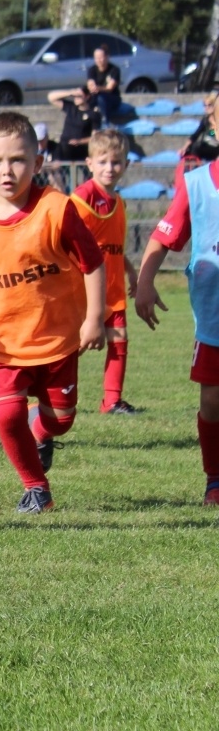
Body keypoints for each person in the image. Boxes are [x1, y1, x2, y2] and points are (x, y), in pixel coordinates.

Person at [0, 112, 106, 513]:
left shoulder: (57, 209)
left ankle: (42, 431)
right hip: (1, 342)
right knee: (8, 415)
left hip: (57, 337)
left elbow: (93, 263)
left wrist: (94, 317)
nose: (6, 170)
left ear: (37, 163)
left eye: (17, 160)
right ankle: (36, 488)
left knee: (61, 419)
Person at [136, 135, 219, 505]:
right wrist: (144, 283)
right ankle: (215, 478)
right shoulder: (197, 183)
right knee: (214, 400)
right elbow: (163, 236)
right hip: (214, 316)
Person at [70, 128, 138, 415]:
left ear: (126, 164)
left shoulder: (119, 203)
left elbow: (114, 247)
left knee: (119, 338)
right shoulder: (81, 199)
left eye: (116, 162)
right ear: (90, 164)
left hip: (113, 287)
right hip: (85, 288)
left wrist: (132, 272)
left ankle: (112, 401)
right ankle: (47, 395)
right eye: (103, 162)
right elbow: (68, 240)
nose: (110, 168)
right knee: (74, 344)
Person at [47, 86, 98, 164]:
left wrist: (79, 141)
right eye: (75, 96)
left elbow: (94, 137)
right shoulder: (71, 107)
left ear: (87, 97)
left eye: (79, 96)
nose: (76, 98)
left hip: (81, 149)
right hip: (65, 147)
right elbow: (51, 97)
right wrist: (70, 92)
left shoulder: (93, 114)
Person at [178, 92, 219, 167]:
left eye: (209, 105)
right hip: (208, 146)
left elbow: (214, 136)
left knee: (196, 147)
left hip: (217, 147)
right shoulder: (206, 120)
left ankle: (195, 170)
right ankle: (190, 172)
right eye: (204, 105)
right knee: (189, 150)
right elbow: (195, 135)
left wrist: (213, 128)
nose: (206, 108)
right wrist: (184, 148)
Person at [85, 45, 121, 121]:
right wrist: (92, 87)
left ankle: (106, 121)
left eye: (101, 57)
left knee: (101, 98)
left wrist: (98, 88)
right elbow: (90, 83)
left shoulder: (114, 70)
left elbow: (109, 88)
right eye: (96, 58)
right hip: (96, 96)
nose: (99, 60)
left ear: (107, 57)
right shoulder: (92, 69)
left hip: (112, 98)